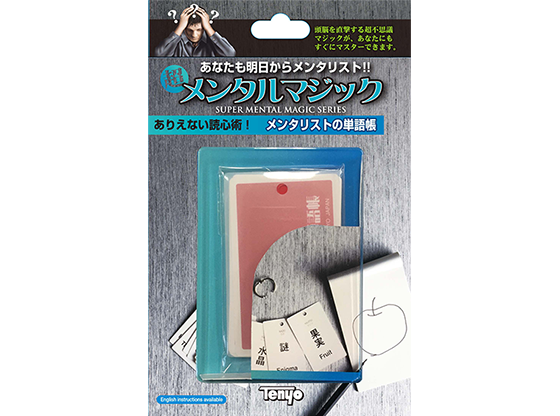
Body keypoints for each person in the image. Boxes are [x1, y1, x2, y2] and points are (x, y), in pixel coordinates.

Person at [155, 7, 236, 57]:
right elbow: (159, 55)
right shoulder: (177, 41)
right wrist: (180, 27)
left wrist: (208, 27)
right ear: (184, 28)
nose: (194, 35)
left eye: (199, 30)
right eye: (190, 30)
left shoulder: (210, 40)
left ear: (203, 28)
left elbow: (230, 54)